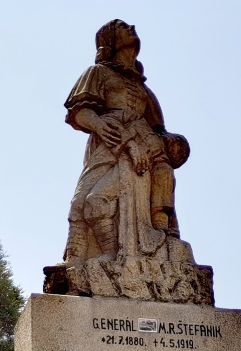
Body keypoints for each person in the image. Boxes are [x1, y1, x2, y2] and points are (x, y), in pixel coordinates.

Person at [62, 20, 190, 266]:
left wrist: (175, 144)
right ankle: (75, 261)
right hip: (107, 142)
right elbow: (79, 112)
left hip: (141, 151)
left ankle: (117, 254)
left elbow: (158, 129)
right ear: (109, 40)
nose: (131, 27)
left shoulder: (144, 90)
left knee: (96, 202)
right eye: (122, 27)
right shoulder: (97, 72)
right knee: (78, 203)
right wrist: (99, 125)